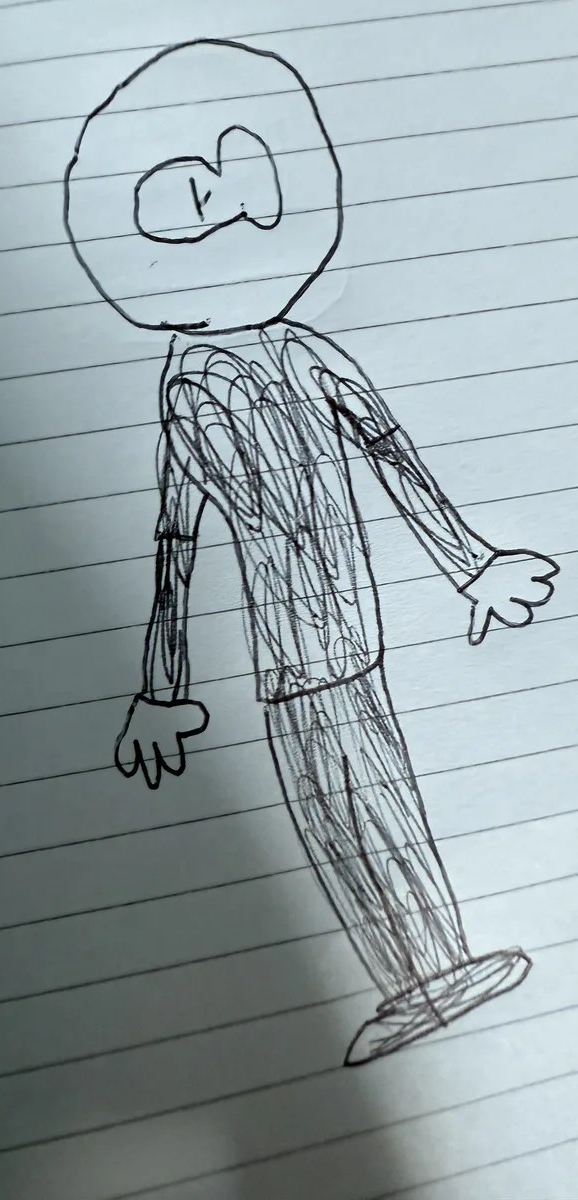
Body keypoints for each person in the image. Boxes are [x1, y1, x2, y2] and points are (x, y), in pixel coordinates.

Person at [64, 39, 559, 1064]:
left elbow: (390, 452)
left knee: (377, 790)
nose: (222, 214)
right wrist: (161, 687)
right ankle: (405, 982)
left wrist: (472, 563)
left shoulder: (303, 351)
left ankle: (438, 965)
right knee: (330, 805)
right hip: (288, 654)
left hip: (350, 629)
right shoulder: (189, 386)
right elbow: (175, 542)